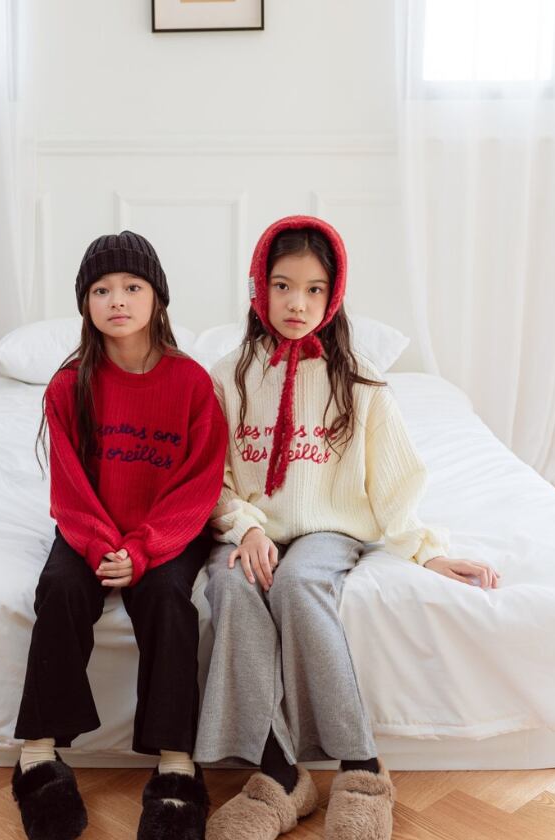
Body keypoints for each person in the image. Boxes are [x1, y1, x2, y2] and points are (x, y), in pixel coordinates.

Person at [194, 215, 500, 840]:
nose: (296, 304)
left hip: (328, 528)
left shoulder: (359, 379)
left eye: (313, 290)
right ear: (258, 287)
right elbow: (211, 476)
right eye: (282, 286)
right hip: (251, 528)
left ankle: (361, 768)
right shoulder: (227, 375)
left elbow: (394, 477)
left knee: (298, 584)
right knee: (229, 586)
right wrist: (244, 528)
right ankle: (280, 774)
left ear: (332, 295)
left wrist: (425, 551)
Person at [12, 231, 228, 840]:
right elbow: (69, 487)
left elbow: (199, 482)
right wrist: (101, 545)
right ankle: (37, 754)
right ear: (85, 303)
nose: (117, 301)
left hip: (166, 530)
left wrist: (142, 549)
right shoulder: (68, 385)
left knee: (167, 598)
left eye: (132, 286)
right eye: (101, 290)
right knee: (60, 589)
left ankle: (176, 765)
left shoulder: (191, 382)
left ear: (157, 298)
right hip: (91, 527)